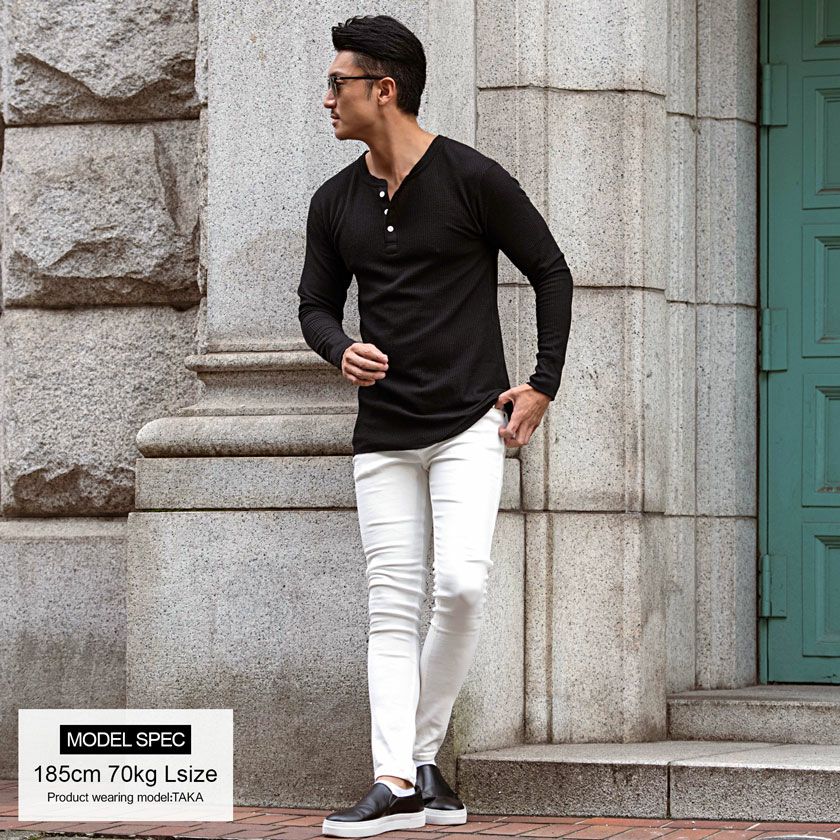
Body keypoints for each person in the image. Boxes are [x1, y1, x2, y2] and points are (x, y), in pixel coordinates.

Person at [297, 13, 574, 839]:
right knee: (391, 606)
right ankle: (397, 779)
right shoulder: (334, 201)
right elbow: (315, 304)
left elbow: (551, 271)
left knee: (460, 587)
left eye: (338, 84)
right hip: (383, 435)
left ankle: (421, 757)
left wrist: (542, 386)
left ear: (384, 89)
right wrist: (339, 349)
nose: (327, 99)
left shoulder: (472, 178)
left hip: (467, 426)